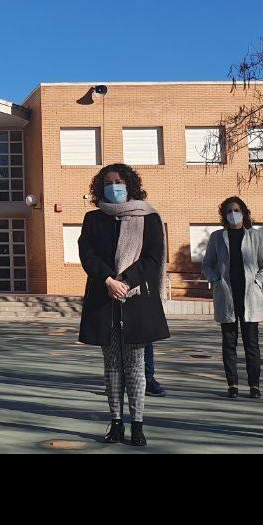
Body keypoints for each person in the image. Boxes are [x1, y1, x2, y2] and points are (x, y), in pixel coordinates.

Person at [77, 163, 169, 447]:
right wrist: (107, 279)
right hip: (104, 299)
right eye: (107, 182)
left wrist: (126, 281)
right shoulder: (93, 219)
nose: (113, 186)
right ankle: (116, 422)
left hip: (137, 300)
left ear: (129, 184)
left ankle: (138, 424)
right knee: (112, 367)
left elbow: (154, 259)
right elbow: (87, 253)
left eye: (118, 181)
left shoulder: (149, 217)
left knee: (136, 367)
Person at [201, 196, 263, 399]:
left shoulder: (256, 237)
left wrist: (258, 280)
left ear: (243, 212)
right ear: (224, 215)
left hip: (250, 297)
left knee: (251, 344)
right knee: (229, 344)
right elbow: (207, 264)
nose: (233, 214)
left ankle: (254, 385)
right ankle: (232, 384)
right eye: (229, 211)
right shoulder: (217, 237)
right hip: (227, 296)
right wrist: (216, 279)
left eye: (236, 210)